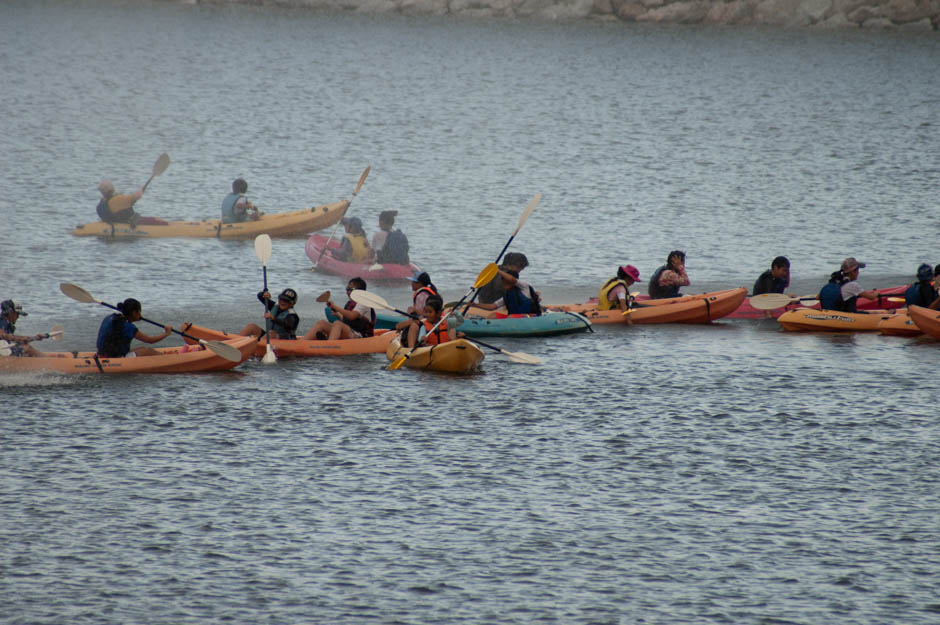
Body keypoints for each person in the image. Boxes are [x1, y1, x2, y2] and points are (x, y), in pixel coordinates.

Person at [96, 298, 172, 357]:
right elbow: (150, 340)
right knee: (147, 350)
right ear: (134, 313)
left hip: (101, 353)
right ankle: (168, 358)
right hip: (116, 358)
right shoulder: (128, 327)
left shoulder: (110, 317)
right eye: (139, 312)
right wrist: (167, 333)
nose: (140, 315)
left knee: (141, 349)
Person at [305, 278, 375, 340]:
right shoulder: (350, 303)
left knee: (338, 324)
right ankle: (302, 343)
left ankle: (329, 346)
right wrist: (338, 315)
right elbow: (351, 322)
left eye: (351, 290)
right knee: (321, 323)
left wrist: (335, 307)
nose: (348, 292)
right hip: (351, 332)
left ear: (360, 291)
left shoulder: (363, 303)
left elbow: (352, 316)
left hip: (361, 336)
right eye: (347, 289)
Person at [464, 267, 541, 316]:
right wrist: (475, 305)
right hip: (514, 319)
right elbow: (492, 307)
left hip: (531, 316)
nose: (502, 281)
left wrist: (497, 270)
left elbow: (512, 279)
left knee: (511, 317)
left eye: (504, 279)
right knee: (493, 315)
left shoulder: (524, 287)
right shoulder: (507, 295)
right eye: (502, 279)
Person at [396, 294, 461, 348]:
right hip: (428, 348)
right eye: (426, 311)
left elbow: (452, 333)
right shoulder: (423, 322)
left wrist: (458, 336)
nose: (427, 314)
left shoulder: (446, 320)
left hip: (443, 347)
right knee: (414, 326)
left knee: (451, 323)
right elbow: (398, 326)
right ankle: (410, 350)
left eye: (430, 312)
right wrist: (422, 339)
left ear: (438, 313)